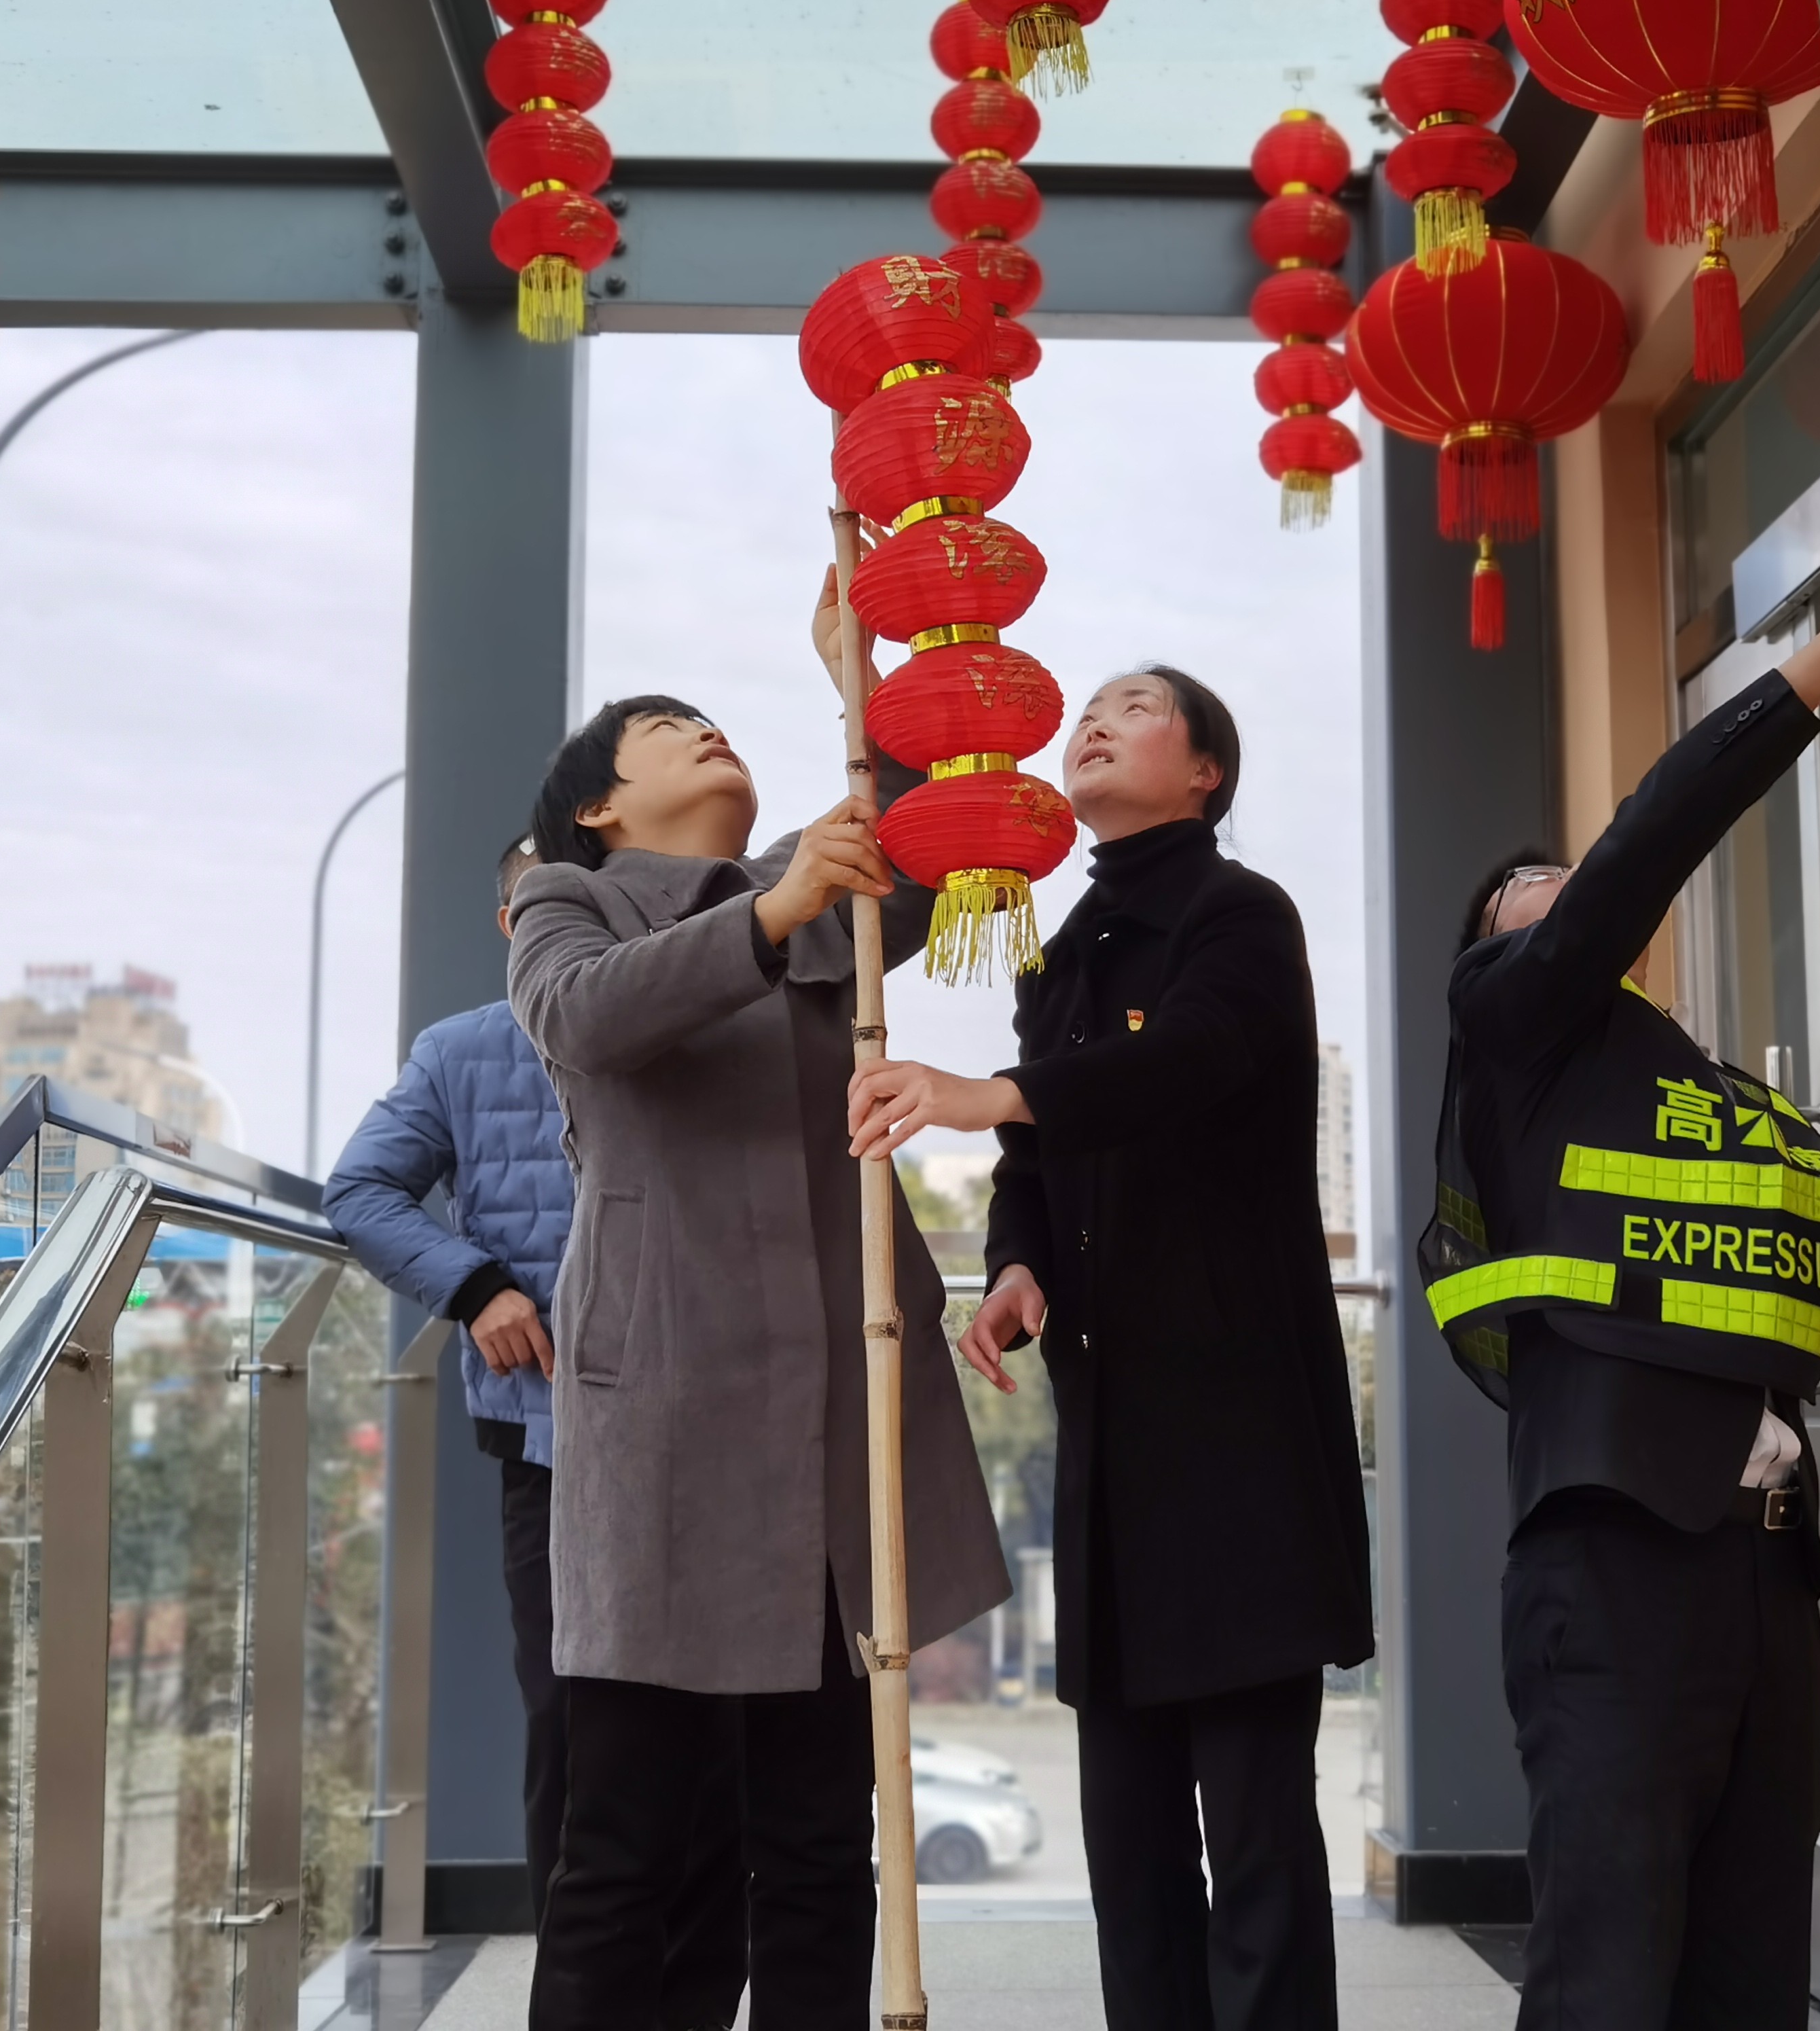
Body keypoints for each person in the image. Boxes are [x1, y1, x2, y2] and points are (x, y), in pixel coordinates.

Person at [1426, 445, 1820, 2030]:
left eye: (1566, 882)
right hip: (1614, 1554)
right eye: (1532, 889)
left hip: (1766, 1572)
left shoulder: (1705, 1103)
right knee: (1607, 1979)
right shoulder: (1512, 1032)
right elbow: (1650, 838)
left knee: (1746, 1977)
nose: (1564, 890)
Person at [506, 563, 1009, 2031]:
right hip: (665, 1418)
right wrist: (779, 905)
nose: (704, 731)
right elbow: (588, 1019)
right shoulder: (565, 900)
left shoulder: (807, 886)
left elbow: (919, 829)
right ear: (598, 806)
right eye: (666, 727)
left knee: (817, 1840)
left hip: (831, 1415)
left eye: (713, 719)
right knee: (623, 1842)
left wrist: (862, 677)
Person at [848, 667, 1373, 2031]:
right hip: (1114, 1435)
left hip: (1238, 1435)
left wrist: (984, 1093)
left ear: (1205, 772)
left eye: (1136, 707)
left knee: (1256, 1839)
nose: (1094, 720)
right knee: (1128, 1850)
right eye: (1090, 706)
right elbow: (1038, 1156)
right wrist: (1017, 1261)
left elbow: (1184, 1064)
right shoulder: (1061, 946)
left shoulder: (1239, 916)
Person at [323, 840, 746, 2012]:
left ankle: (695, 2004)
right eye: (543, 901)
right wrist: (475, 1288)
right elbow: (360, 1190)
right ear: (516, 925)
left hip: (714, 1436)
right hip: (551, 1447)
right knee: (576, 1739)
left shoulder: (698, 1023)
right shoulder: (459, 1050)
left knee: (722, 1749)